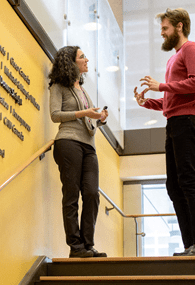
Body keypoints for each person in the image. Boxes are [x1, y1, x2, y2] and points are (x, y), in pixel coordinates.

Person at [134, 8, 195, 256]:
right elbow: (172, 101)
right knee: (174, 185)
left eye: (165, 28)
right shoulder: (175, 57)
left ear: (179, 26)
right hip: (177, 120)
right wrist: (147, 102)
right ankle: (191, 244)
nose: (162, 33)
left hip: (190, 119)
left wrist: (162, 85)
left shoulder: (192, 49)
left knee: (187, 180)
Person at [49, 46, 108, 258]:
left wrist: (100, 118)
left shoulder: (83, 90)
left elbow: (88, 120)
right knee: (72, 195)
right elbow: (55, 115)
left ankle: (88, 244)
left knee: (92, 194)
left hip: (88, 146)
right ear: (71, 62)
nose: (86, 60)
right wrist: (85, 112)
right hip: (68, 142)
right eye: (82, 57)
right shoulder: (58, 86)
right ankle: (76, 247)